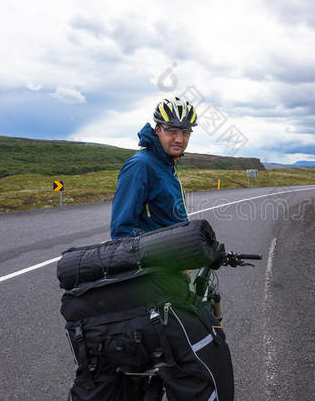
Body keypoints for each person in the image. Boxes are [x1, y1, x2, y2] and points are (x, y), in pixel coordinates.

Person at [65, 97, 234, 401]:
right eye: (172, 130)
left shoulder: (165, 165)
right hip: (156, 279)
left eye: (186, 132)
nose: (179, 138)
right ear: (157, 129)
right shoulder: (141, 166)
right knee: (195, 350)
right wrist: (166, 261)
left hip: (171, 272)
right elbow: (122, 232)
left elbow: (167, 222)